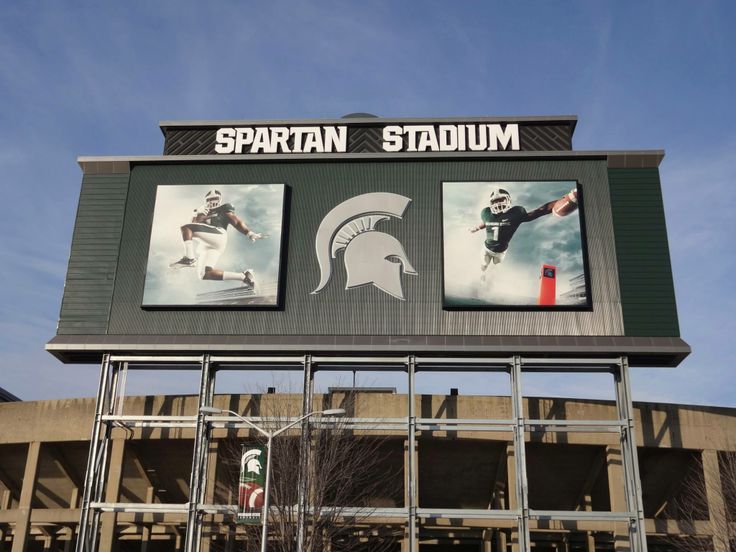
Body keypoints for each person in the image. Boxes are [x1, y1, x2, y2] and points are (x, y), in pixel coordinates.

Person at [170, 189, 262, 287]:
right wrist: (197, 214)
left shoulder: (223, 209)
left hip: (218, 235)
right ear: (206, 201)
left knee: (186, 227)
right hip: (208, 244)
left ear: (220, 199)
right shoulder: (202, 211)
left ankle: (189, 258)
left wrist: (249, 233)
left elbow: (236, 221)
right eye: (210, 199)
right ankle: (244, 277)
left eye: (215, 198)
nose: (212, 201)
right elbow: (193, 228)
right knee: (205, 274)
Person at [468, 188, 558, 282]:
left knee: (495, 267)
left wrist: (559, 202)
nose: (498, 203)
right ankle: (482, 274)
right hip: (487, 248)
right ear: (491, 203)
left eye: (501, 200)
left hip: (501, 251)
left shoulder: (515, 213)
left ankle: (489, 283)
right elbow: (487, 222)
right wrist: (477, 228)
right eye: (495, 201)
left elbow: (540, 211)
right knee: (484, 264)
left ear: (508, 200)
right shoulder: (486, 213)